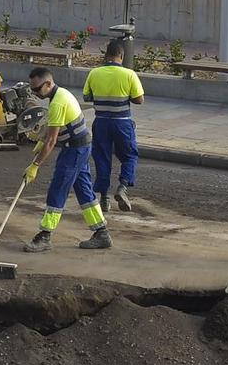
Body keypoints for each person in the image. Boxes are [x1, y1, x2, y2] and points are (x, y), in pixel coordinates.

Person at [20, 66, 110, 252]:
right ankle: (101, 233)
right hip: (80, 147)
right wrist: (41, 140)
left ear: (48, 83)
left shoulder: (57, 103)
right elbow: (53, 129)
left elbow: (52, 140)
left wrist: (35, 165)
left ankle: (45, 235)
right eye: (32, 89)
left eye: (37, 89)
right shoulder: (60, 94)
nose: (35, 93)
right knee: (84, 189)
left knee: (58, 188)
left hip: (74, 150)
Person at [83, 37, 145, 211]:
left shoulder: (94, 73)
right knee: (129, 155)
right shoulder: (129, 74)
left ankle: (103, 198)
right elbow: (139, 99)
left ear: (106, 55)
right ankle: (123, 187)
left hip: (101, 122)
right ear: (121, 56)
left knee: (102, 158)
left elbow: (87, 97)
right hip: (122, 123)